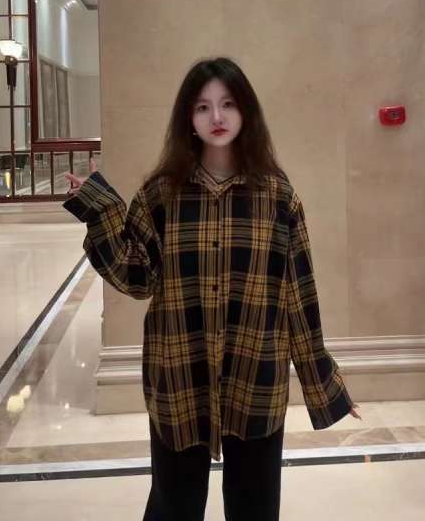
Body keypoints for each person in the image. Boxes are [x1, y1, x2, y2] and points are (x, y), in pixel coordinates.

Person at [63, 57, 360, 521]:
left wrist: (324, 383)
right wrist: (100, 209)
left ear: (247, 112)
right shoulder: (161, 195)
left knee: (255, 505)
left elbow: (298, 296)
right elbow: (137, 278)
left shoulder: (277, 197)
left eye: (228, 104)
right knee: (174, 503)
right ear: (189, 117)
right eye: (203, 107)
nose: (216, 117)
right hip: (180, 371)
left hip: (254, 372)